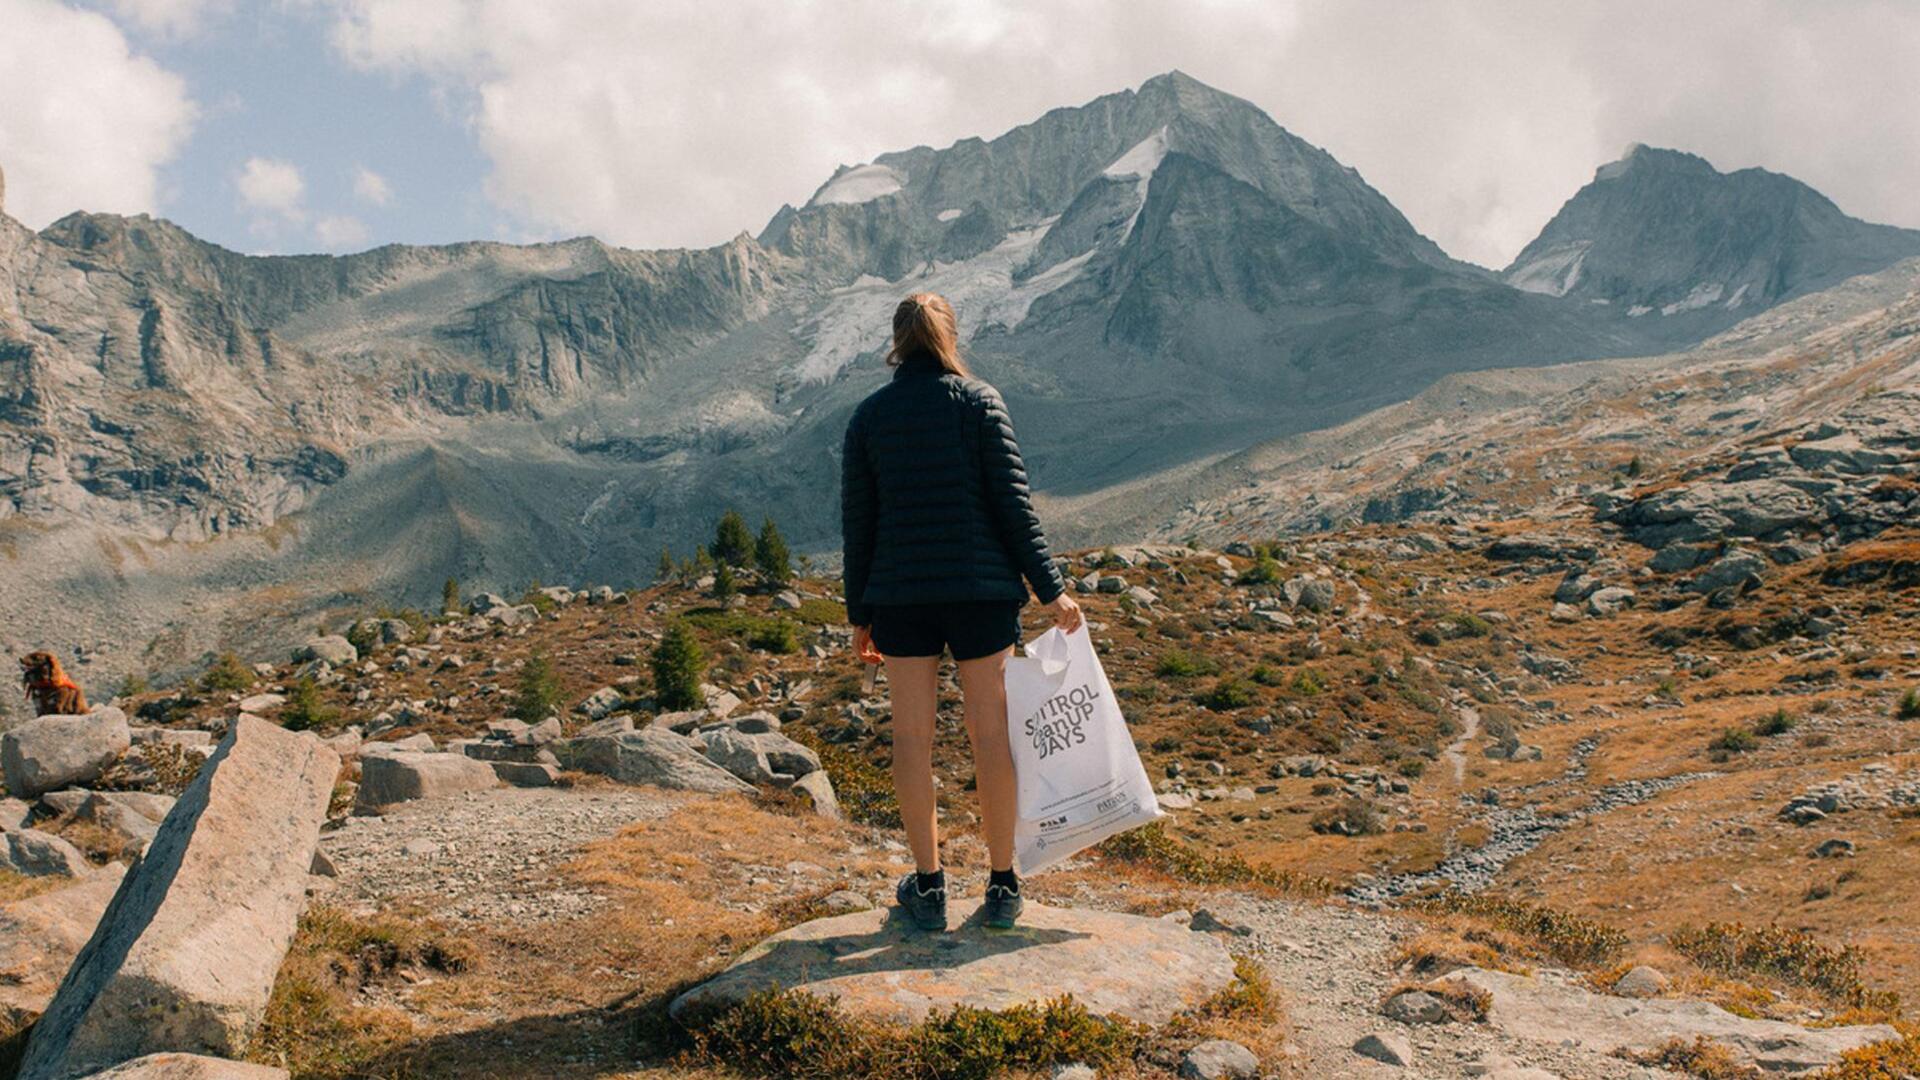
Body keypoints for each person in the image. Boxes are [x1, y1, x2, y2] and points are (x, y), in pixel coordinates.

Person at [841, 291, 1082, 932]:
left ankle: (929, 887)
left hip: (900, 598)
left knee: (913, 740)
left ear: (897, 341)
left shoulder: (868, 417)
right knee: (991, 737)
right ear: (952, 338)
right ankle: (1003, 885)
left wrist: (859, 615)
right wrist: (1051, 589)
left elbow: (859, 525)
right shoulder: (981, 403)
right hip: (980, 595)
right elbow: (1014, 508)